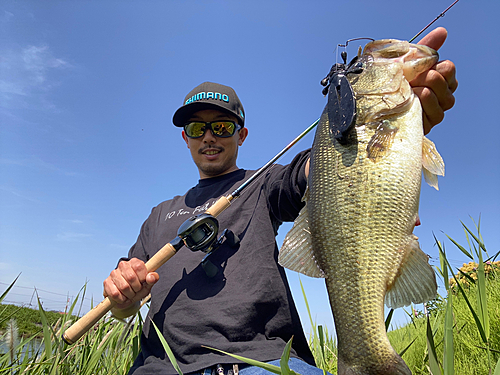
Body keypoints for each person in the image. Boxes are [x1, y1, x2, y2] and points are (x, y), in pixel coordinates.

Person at [103, 27, 458, 375]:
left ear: (241, 134)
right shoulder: (158, 215)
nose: (209, 137)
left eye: (222, 127)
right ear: (185, 138)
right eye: (198, 129)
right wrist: (123, 294)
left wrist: (365, 131)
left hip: (267, 362)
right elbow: (125, 305)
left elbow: (313, 170)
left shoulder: (263, 184)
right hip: (164, 367)